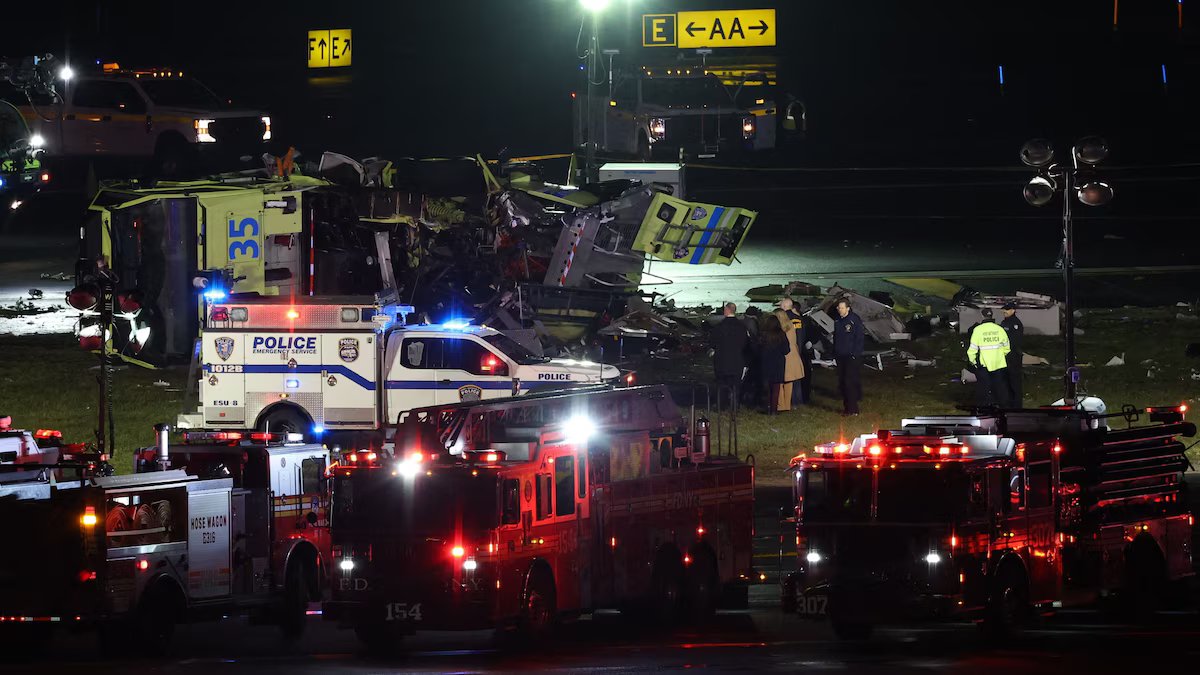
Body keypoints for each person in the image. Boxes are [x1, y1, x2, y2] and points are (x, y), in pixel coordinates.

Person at [966, 307, 1011, 408]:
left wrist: (973, 361)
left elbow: (973, 349)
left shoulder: (978, 330)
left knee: (983, 387)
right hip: (998, 363)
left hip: (984, 364)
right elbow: (1007, 347)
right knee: (999, 387)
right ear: (992, 316)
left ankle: (983, 408)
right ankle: (1002, 406)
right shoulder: (999, 329)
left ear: (982, 316)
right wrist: (1000, 356)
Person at [710, 302, 750, 409]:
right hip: (737, 360)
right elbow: (746, 344)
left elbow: (712, 343)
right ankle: (735, 405)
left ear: (726, 310)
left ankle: (720, 405)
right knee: (736, 385)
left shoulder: (719, 327)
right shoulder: (742, 327)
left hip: (721, 360)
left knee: (721, 384)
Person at [833, 298, 865, 416]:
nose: (840, 310)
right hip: (840, 355)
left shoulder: (854, 320)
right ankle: (847, 407)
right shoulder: (837, 320)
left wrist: (855, 354)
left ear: (848, 308)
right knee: (842, 382)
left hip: (851, 356)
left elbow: (859, 338)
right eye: (838, 308)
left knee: (849, 382)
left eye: (842, 308)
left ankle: (853, 409)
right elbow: (836, 337)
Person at [773, 300, 805, 412]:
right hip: (794, 353)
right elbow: (800, 337)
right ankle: (792, 403)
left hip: (786, 354)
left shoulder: (782, 326)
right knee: (792, 380)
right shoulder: (794, 322)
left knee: (783, 380)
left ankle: (783, 404)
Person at [758, 316, 791, 415]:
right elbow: (786, 350)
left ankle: (766, 406)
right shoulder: (781, 335)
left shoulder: (763, 335)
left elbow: (758, 348)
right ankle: (773, 409)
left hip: (766, 362)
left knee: (766, 387)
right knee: (776, 388)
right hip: (778, 363)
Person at [782, 297, 809, 406]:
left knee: (787, 377)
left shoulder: (783, 319)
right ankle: (798, 401)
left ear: (784, 306)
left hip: (786, 351)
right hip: (797, 350)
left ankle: (788, 401)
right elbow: (802, 335)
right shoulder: (799, 319)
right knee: (797, 377)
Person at [1000, 302, 1024, 407]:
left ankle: (1017, 405)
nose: (1004, 311)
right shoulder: (1004, 322)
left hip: (1014, 356)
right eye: (1004, 309)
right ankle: (1008, 403)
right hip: (1005, 356)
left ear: (1013, 310)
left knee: (1015, 381)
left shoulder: (1016, 323)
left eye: (1007, 309)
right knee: (1006, 381)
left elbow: (1016, 341)